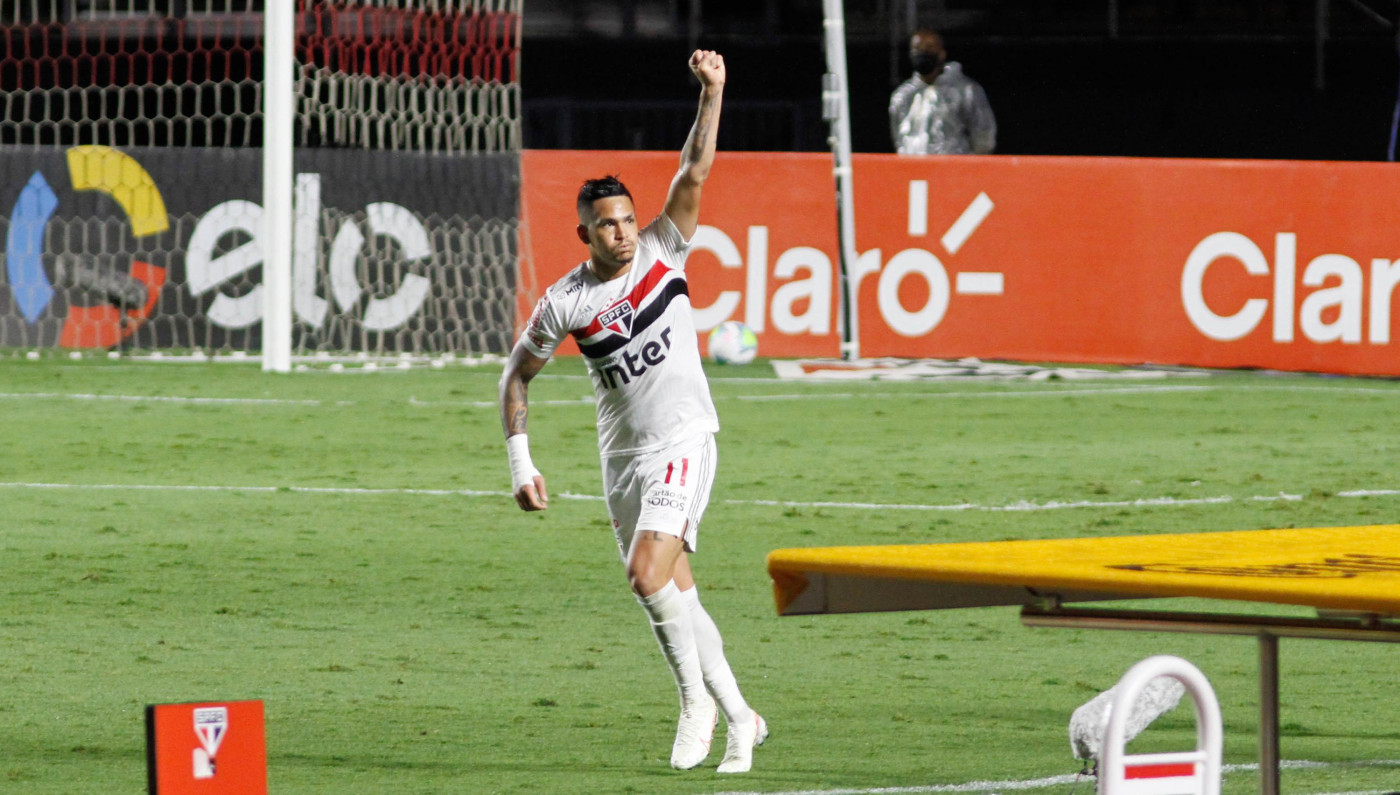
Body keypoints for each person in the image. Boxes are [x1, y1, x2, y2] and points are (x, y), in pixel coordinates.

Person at [497, 50, 767, 774]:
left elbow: (695, 170)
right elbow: (514, 376)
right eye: (606, 225)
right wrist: (521, 461)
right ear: (583, 234)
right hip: (623, 460)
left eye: (625, 218)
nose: (621, 232)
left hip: (686, 440)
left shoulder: (663, 250)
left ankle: (694, 704)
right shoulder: (565, 301)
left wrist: (713, 90)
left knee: (647, 575)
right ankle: (744, 717)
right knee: (678, 598)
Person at [889, 29, 997, 155]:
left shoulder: (965, 91)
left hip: (954, 171)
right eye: (917, 48)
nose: (922, 52)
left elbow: (984, 137)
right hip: (913, 171)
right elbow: (898, 139)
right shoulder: (902, 95)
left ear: (942, 53)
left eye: (929, 47)